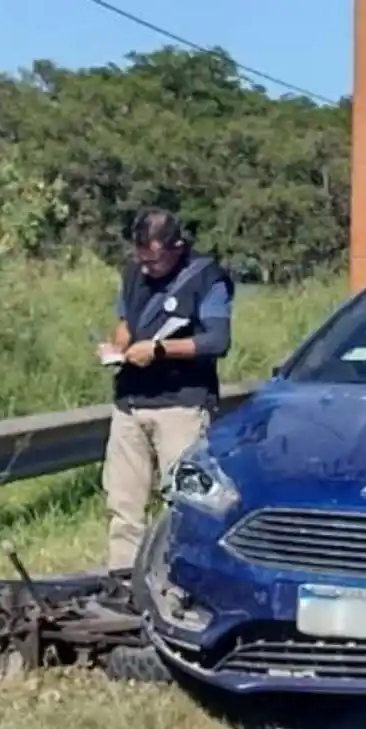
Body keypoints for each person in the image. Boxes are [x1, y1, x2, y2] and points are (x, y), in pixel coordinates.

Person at [97, 208, 234, 570]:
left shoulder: (207, 279)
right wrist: (118, 347)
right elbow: (127, 322)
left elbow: (217, 341)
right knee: (123, 504)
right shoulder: (133, 273)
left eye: (153, 262)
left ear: (175, 249)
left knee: (184, 504)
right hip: (130, 402)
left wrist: (159, 350)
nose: (146, 269)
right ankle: (122, 579)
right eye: (140, 259)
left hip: (181, 406)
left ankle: (178, 578)